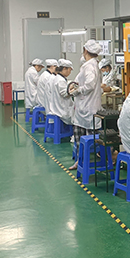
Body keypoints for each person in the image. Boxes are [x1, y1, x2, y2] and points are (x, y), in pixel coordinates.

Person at [68, 40, 103, 168]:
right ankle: (81, 161)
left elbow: (90, 84)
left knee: (85, 139)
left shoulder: (89, 66)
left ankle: (84, 162)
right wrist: (75, 85)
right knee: (82, 138)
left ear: (85, 50)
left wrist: (78, 90)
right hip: (86, 108)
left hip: (88, 109)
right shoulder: (92, 65)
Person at [47, 59, 76, 126]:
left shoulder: (57, 78)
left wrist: (70, 87)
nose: (70, 72)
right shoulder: (60, 80)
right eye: (70, 70)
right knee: (80, 114)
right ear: (65, 68)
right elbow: (65, 94)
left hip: (57, 108)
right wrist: (75, 90)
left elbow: (62, 90)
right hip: (62, 110)